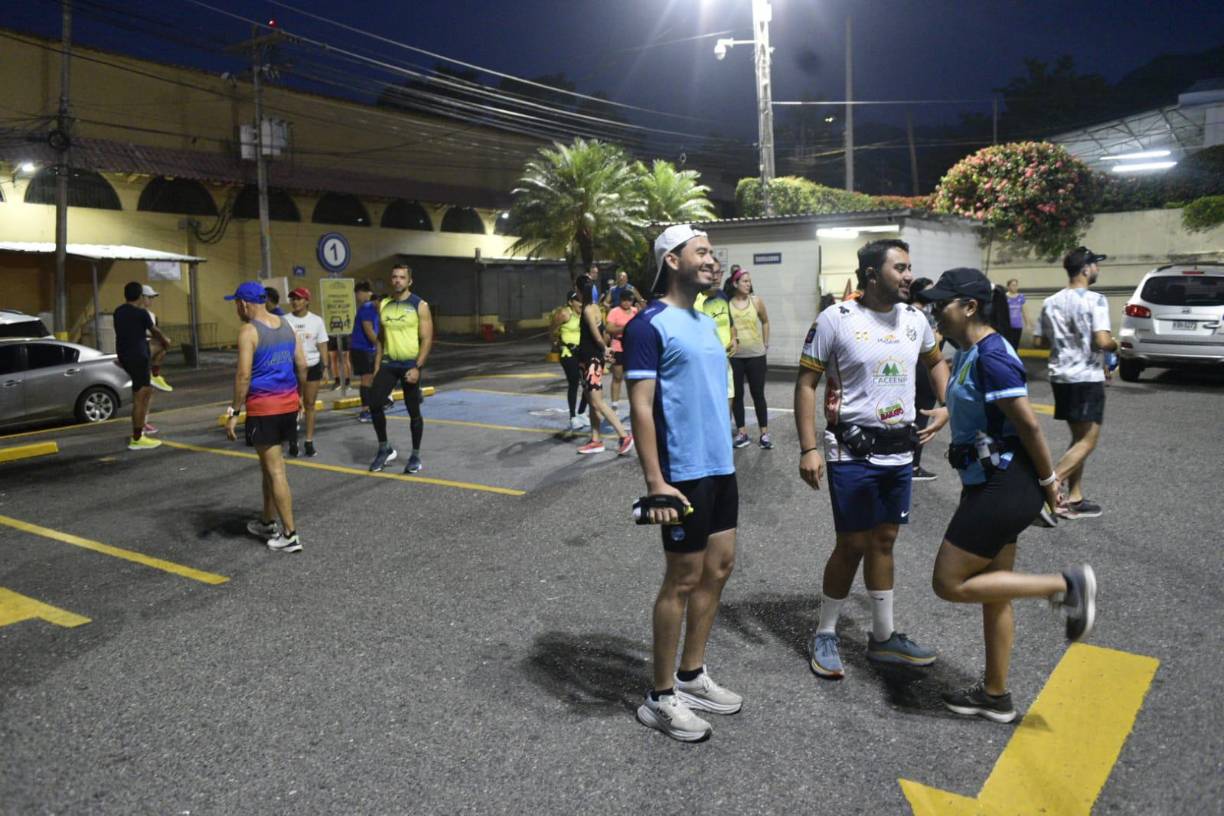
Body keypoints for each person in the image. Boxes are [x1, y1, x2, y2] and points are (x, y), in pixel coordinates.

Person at [916, 267, 1097, 723]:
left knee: (949, 582)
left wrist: (1048, 483)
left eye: (944, 302)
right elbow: (978, 406)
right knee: (995, 595)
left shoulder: (994, 354)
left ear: (971, 307)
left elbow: (1028, 424)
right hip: (990, 481)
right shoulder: (969, 353)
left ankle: (1065, 585)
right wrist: (946, 415)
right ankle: (995, 695)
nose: (937, 309)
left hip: (1005, 485)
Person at [795, 238, 950, 680]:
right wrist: (808, 448)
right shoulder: (836, 319)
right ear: (870, 274)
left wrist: (947, 402)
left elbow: (936, 361)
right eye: (899, 268)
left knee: (884, 541)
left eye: (908, 267)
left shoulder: (915, 318)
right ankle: (825, 632)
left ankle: (883, 636)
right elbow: (806, 384)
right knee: (852, 544)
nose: (908, 276)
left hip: (900, 450)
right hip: (851, 450)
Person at [625, 224, 741, 742]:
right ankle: (660, 695)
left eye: (713, 254)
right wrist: (655, 482)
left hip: (720, 467)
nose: (712, 261)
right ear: (672, 260)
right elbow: (642, 409)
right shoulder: (648, 325)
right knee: (682, 580)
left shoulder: (703, 320)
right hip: (682, 474)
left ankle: (691, 675)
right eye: (702, 252)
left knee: (718, 568)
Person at [1032, 247, 1120, 520]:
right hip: (1085, 377)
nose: (1098, 269)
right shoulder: (1096, 300)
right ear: (1085, 269)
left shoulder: (1051, 301)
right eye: (1096, 265)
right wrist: (1117, 345)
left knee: (1078, 438)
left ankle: (1076, 498)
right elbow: (1103, 341)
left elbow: (1039, 341)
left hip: (1061, 377)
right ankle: (1051, 488)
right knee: (1089, 441)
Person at [223, 282, 307, 553]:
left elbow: (243, 375)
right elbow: (302, 364)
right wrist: (301, 398)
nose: (236, 308)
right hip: (288, 404)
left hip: (265, 408)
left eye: (236, 303)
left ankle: (290, 534)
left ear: (245, 304)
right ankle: (268, 521)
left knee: (275, 470)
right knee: (268, 467)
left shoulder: (249, 331)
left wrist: (235, 411)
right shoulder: (286, 325)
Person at [368, 264, 433, 474]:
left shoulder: (419, 305)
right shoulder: (384, 304)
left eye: (402, 277)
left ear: (409, 281)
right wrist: (377, 366)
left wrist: (417, 367)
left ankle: (415, 455)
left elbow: (427, 338)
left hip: (409, 365)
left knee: (413, 410)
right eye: (394, 277)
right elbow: (381, 339)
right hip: (389, 363)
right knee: (374, 403)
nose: (397, 280)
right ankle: (384, 448)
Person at [574, 273, 633, 456]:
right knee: (592, 403)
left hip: (591, 360)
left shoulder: (588, 310)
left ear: (578, 289)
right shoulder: (595, 307)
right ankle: (595, 440)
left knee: (597, 402)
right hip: (587, 360)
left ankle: (623, 436)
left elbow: (596, 334)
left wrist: (604, 348)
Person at [113, 281, 174, 451]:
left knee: (144, 394)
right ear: (140, 296)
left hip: (124, 355)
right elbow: (156, 332)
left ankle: (154, 376)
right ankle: (138, 438)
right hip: (138, 357)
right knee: (141, 398)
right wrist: (167, 341)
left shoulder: (118, 312)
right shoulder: (142, 314)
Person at [727, 267, 773, 449]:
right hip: (735, 356)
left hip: (756, 355)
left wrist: (766, 343)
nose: (748, 284)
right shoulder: (727, 304)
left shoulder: (756, 302)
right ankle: (742, 433)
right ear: (735, 283)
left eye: (749, 281)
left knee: (758, 394)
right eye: (744, 281)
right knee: (737, 395)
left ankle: (764, 434)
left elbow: (766, 321)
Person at [284, 287, 330, 458]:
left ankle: (309, 441)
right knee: (292, 405)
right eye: (292, 299)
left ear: (307, 301)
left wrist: (326, 368)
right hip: (291, 368)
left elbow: (323, 344)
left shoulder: (317, 321)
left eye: (299, 298)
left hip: (313, 366)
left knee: (310, 404)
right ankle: (293, 440)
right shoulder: (284, 320)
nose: (295, 302)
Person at [696, 259, 737, 440]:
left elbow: (731, 324)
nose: (716, 277)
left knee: (729, 394)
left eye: (719, 272)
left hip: (724, 359)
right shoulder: (695, 301)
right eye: (711, 272)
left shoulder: (722, 296)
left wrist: (734, 338)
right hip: (704, 363)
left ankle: (722, 433)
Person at [908, 278, 940, 482]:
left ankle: (905, 462)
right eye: (930, 290)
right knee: (921, 418)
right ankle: (914, 466)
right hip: (923, 370)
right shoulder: (924, 314)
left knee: (910, 416)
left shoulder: (904, 310)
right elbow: (935, 343)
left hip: (912, 370)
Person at [550, 290, 590, 432]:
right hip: (568, 353)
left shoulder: (585, 314)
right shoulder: (565, 314)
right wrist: (556, 343)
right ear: (570, 302)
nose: (580, 303)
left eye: (581, 300)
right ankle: (573, 417)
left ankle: (581, 412)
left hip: (583, 353)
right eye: (577, 300)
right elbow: (553, 329)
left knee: (588, 384)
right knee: (574, 382)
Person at [350, 280, 380, 423]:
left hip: (365, 348)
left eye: (357, 294)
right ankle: (365, 410)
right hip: (363, 349)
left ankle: (370, 407)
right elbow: (369, 331)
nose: (357, 298)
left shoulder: (368, 307)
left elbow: (371, 330)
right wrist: (380, 345)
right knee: (367, 379)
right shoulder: (368, 307)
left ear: (362, 292)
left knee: (370, 378)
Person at [604, 286, 639, 411]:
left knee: (632, 377)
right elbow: (609, 329)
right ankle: (614, 404)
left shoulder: (636, 311)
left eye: (629, 300)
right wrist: (624, 329)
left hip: (632, 347)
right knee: (617, 376)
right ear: (620, 300)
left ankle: (634, 403)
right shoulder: (614, 311)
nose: (626, 303)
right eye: (624, 300)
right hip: (618, 346)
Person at [140, 285, 173, 395]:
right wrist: (164, 340)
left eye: (152, 298)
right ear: (142, 297)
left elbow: (155, 331)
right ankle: (153, 375)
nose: (151, 301)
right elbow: (154, 331)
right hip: (141, 344)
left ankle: (154, 374)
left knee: (162, 345)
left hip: (149, 343)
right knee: (163, 344)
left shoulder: (152, 315)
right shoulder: (139, 312)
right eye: (149, 297)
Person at [1004, 278, 1030, 351]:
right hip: (1007, 326)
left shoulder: (1021, 297)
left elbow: (1024, 311)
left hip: (1018, 325)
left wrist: (1027, 324)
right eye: (1013, 285)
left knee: (1015, 345)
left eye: (1016, 285)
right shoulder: (1004, 297)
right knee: (1008, 345)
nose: (1015, 287)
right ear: (1008, 286)